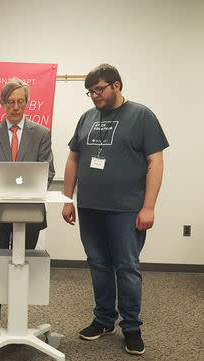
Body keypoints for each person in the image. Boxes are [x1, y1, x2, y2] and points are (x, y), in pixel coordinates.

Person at [62, 64, 169, 355]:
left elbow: (155, 162)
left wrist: (149, 206)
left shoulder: (141, 116)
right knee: (98, 263)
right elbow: (73, 158)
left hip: (126, 209)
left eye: (99, 89)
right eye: (90, 92)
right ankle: (104, 318)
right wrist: (67, 198)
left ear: (116, 86)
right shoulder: (86, 118)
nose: (94, 96)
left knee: (126, 267)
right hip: (90, 206)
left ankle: (132, 327)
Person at [0, 77, 55, 326]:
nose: (15, 107)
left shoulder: (41, 133)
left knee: (25, 266)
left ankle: (19, 321)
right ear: (2, 103)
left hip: (29, 211)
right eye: (11, 101)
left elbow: (48, 171)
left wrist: (27, 192)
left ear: (27, 103)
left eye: (20, 101)